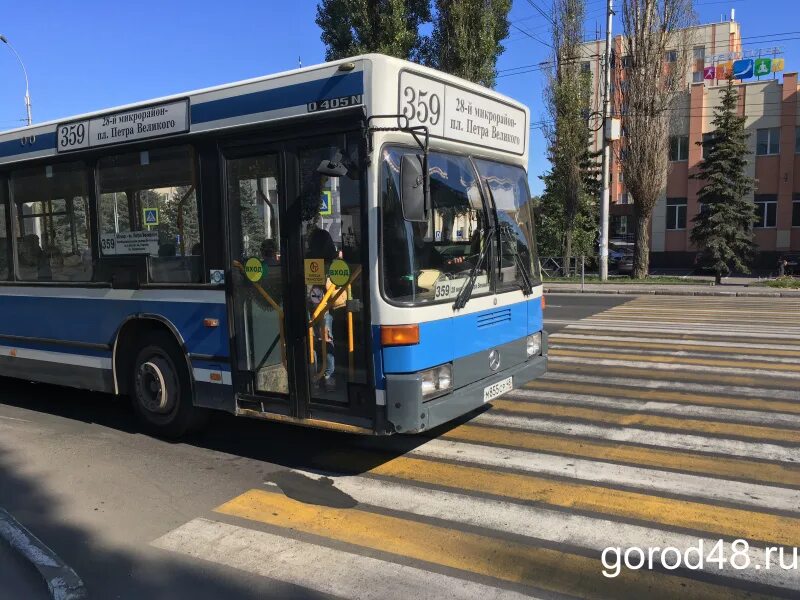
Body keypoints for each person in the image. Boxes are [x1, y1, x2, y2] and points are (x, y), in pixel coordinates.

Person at [306, 225, 339, 391]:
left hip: (308, 305)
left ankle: (314, 378)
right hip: (324, 306)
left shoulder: (307, 260)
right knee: (326, 340)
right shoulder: (332, 262)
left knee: (312, 341)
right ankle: (328, 377)